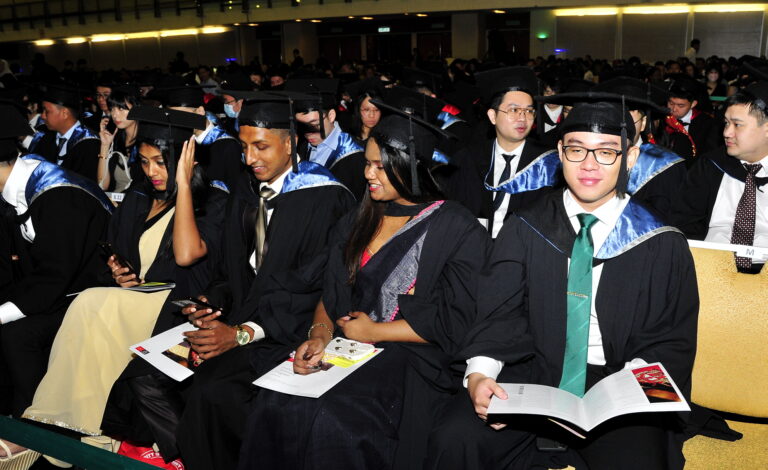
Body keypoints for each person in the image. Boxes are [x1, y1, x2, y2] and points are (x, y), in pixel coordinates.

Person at [426, 101, 699, 470]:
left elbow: (671, 340)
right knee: (454, 438)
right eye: (576, 149)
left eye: (606, 152)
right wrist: (480, 375)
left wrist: (625, 396)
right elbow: (497, 313)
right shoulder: (526, 226)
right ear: (560, 152)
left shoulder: (661, 242)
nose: (588, 164)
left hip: (617, 380)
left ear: (631, 158)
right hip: (533, 369)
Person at [102, 92, 355, 470]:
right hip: (240, 319)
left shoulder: (325, 198)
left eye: (261, 147)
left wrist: (242, 333)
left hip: (288, 331)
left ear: (290, 143)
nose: (250, 158)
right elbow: (230, 272)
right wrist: (211, 303)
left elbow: (315, 289)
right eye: (244, 147)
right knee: (144, 372)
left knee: (213, 392)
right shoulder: (246, 191)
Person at [238, 99, 492, 470]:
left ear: (411, 167)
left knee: (331, 420)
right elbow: (331, 293)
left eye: (380, 166)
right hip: (346, 347)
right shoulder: (360, 217)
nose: (368, 174)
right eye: (367, 163)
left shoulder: (455, 226)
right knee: (275, 403)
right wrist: (320, 335)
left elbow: (457, 319)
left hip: (410, 360)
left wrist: (375, 331)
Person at [20, 106, 226, 449]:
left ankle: (58, 423)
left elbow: (186, 255)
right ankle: (64, 422)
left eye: (161, 162)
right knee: (90, 304)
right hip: (132, 299)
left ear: (185, 160)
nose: (152, 171)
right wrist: (118, 272)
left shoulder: (213, 200)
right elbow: (118, 252)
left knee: (91, 302)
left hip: (177, 308)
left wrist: (184, 184)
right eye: (144, 162)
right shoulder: (140, 196)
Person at [0, 100, 112, 461]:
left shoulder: (59, 193)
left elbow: (57, 275)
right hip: (58, 286)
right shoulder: (17, 184)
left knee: (17, 333)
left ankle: (39, 430)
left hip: (94, 293)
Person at [442, 66, 552, 238]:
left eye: (529, 111)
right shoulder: (467, 159)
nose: (523, 118)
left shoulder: (547, 165)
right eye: (514, 110)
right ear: (493, 116)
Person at [670, 81, 768, 273]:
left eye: (737, 125)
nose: (727, 133)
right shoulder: (710, 166)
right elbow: (683, 223)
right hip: (709, 268)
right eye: (726, 123)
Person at [286, 78, 368, 200]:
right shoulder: (300, 148)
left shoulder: (355, 154)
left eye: (314, 124)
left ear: (331, 116)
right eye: (302, 126)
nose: (308, 133)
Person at [163, 84, 243, 189]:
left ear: (200, 111)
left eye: (181, 116)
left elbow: (235, 189)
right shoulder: (181, 142)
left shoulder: (228, 146)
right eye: (172, 117)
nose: (176, 122)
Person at [28, 84, 101, 182]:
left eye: (47, 111)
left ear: (64, 113)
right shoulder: (46, 138)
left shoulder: (89, 144)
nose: (42, 116)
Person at [659, 76, 720, 161]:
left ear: (693, 104)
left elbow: (709, 154)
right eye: (671, 103)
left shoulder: (706, 124)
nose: (674, 109)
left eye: (681, 105)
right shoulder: (660, 119)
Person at [96, 84, 141, 192]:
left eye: (121, 108)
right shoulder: (115, 139)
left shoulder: (148, 141)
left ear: (136, 107)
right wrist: (104, 146)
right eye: (112, 109)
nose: (115, 115)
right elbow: (102, 186)